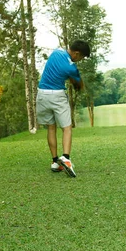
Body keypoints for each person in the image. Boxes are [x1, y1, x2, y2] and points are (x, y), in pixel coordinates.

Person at [36, 39, 91, 177]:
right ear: (76, 54)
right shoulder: (71, 68)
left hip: (42, 94)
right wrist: (79, 83)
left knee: (51, 127)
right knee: (67, 128)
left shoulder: (57, 51)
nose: (80, 60)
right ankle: (66, 157)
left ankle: (55, 162)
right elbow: (78, 84)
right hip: (57, 96)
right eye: (82, 57)